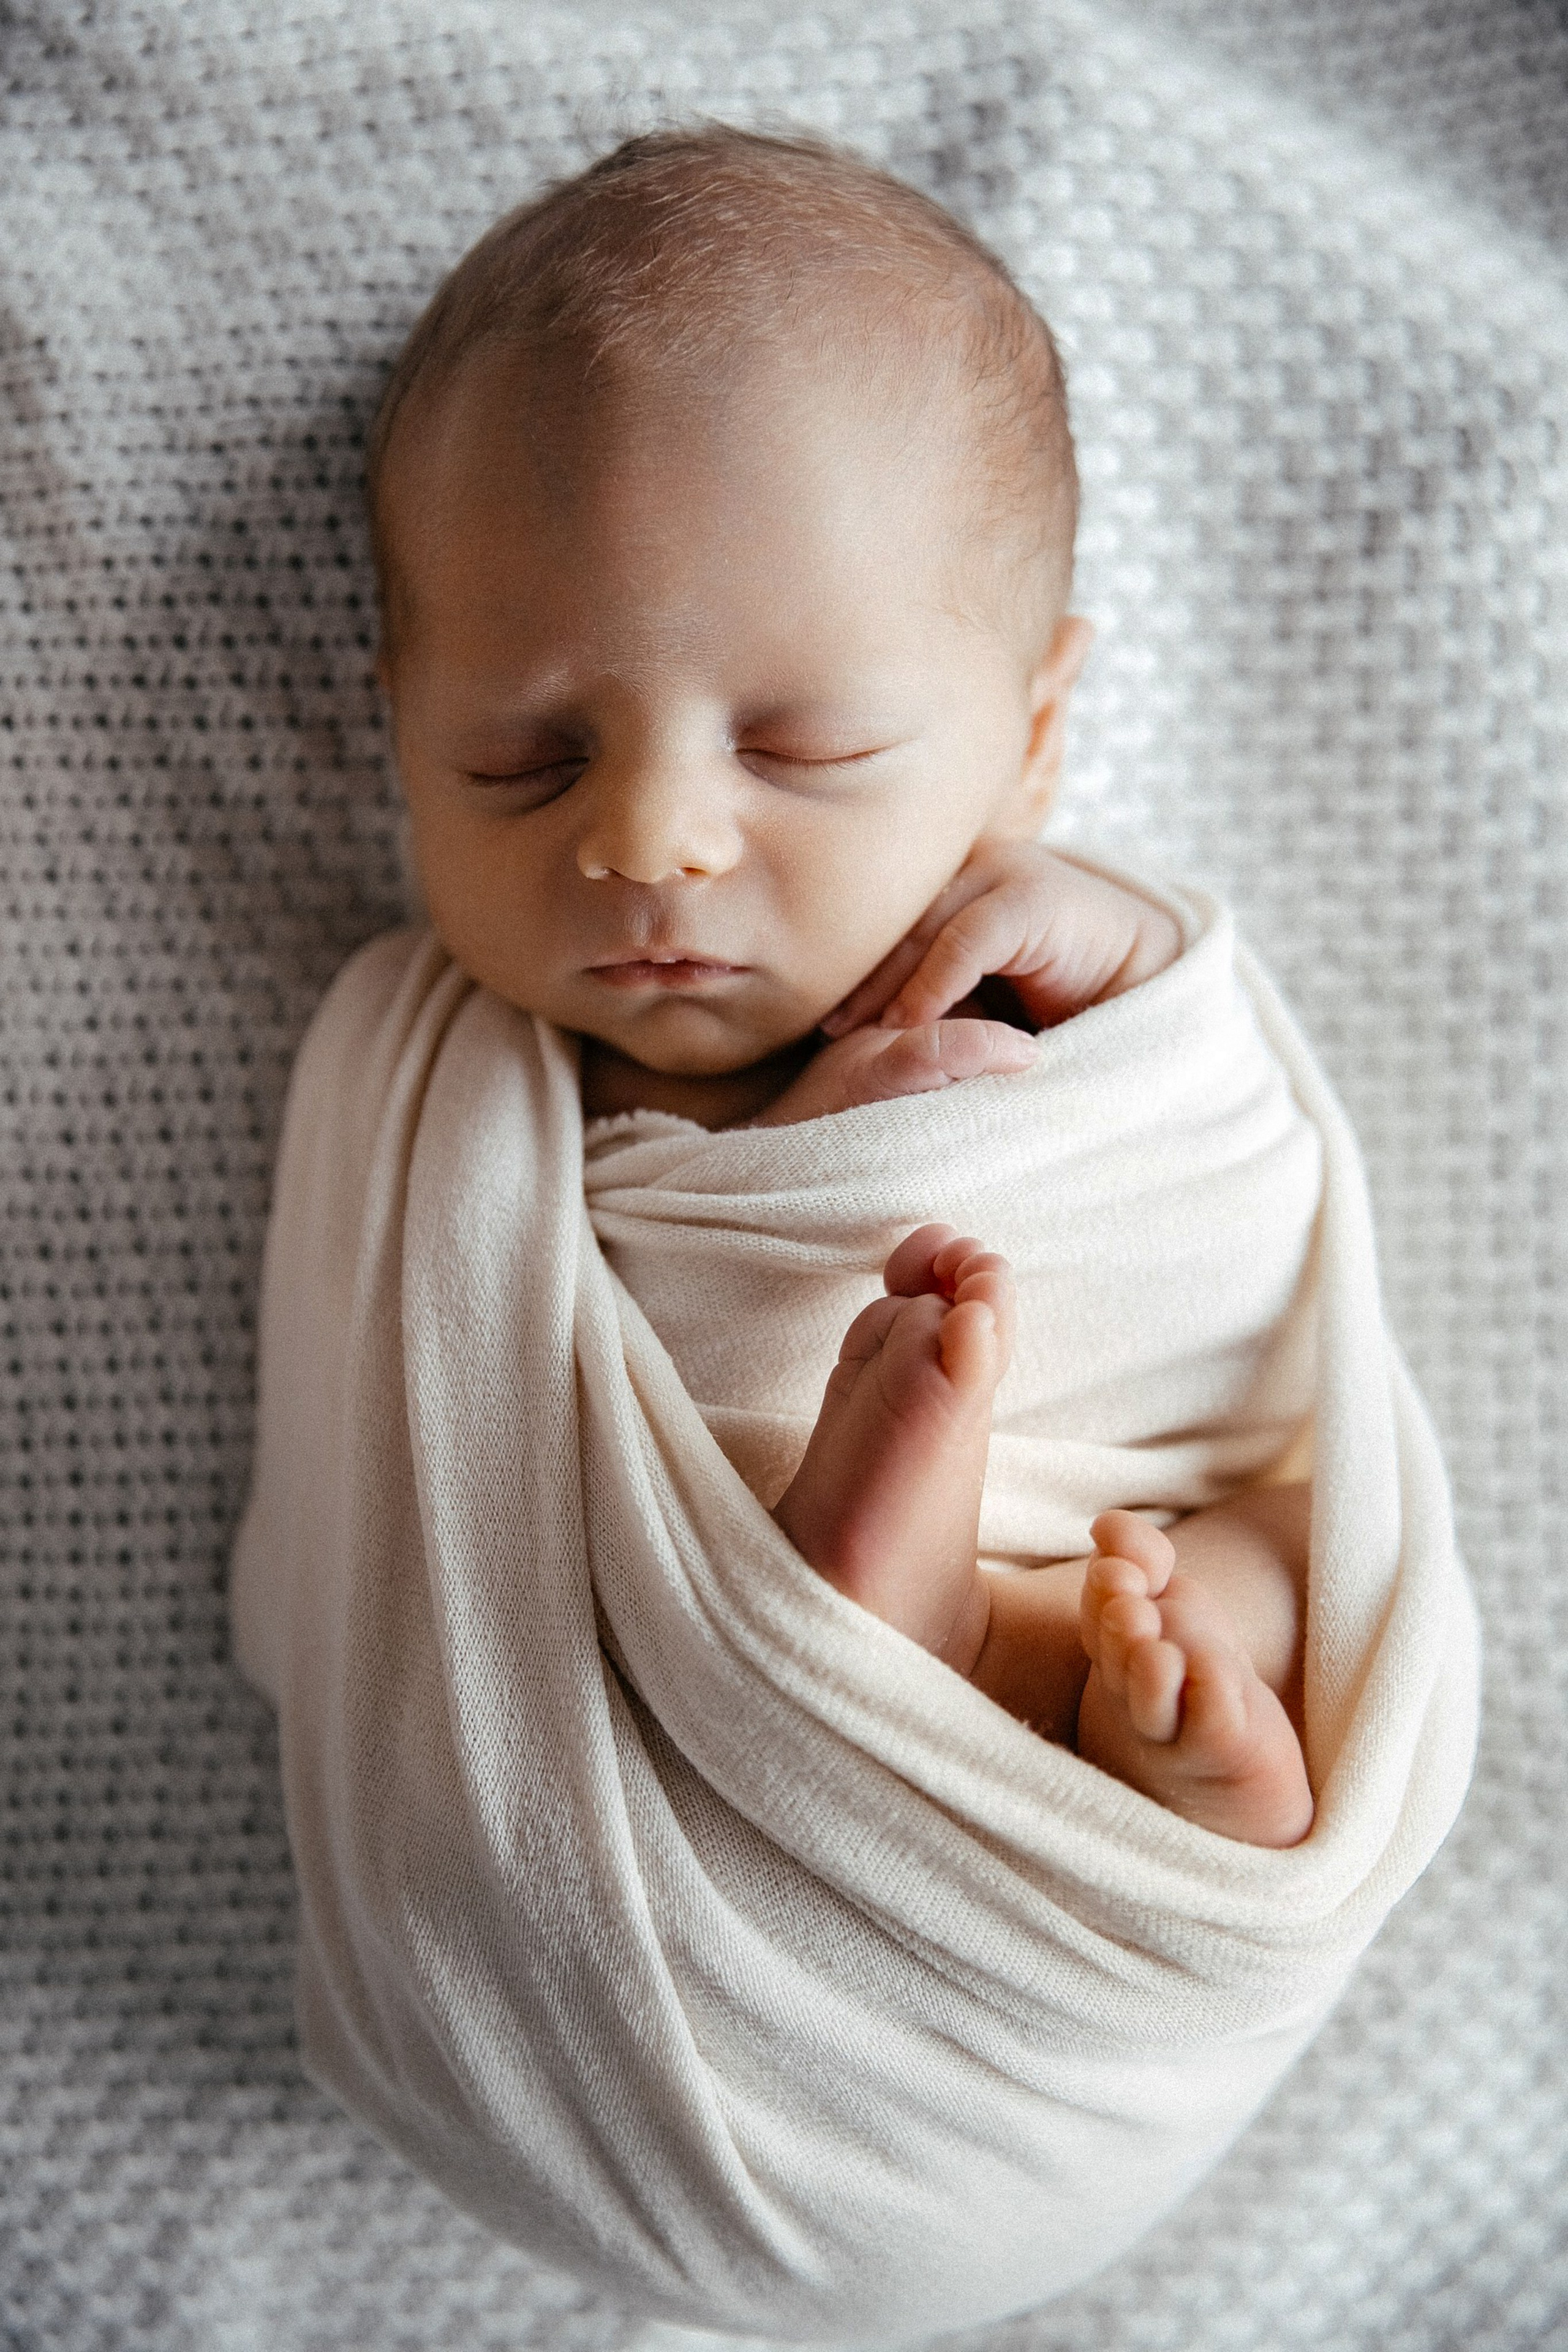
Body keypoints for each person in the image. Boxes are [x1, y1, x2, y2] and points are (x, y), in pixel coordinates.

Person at [360, 122, 1318, 1847]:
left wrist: (1148, 980)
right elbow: (437, 1473)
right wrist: (801, 1157)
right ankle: (930, 1654)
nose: (651, 841)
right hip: (674, 1734)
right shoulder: (431, 1095)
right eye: (521, 758)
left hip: (1103, 1511)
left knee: (1301, 1546)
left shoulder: (1063, 989)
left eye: (804, 747)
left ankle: (1086, 1674)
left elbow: (1242, 1240)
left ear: (1030, 742)